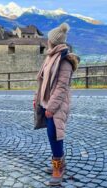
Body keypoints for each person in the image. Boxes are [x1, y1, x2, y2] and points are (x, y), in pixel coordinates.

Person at [33, 23, 80, 186]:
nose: (47, 41)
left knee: (55, 134)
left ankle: (58, 168)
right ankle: (60, 163)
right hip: (46, 101)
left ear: (53, 41)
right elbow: (42, 80)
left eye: (49, 39)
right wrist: (37, 98)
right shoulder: (50, 57)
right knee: (51, 134)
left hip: (56, 105)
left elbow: (61, 88)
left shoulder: (64, 61)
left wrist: (51, 108)